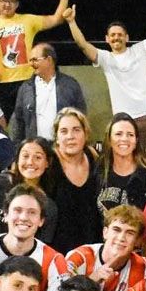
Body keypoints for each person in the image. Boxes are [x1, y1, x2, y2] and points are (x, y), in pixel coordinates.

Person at [63, 0, 146, 141]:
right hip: (125, 120)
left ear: (127, 38)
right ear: (107, 39)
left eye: (120, 35)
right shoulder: (105, 58)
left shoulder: (140, 50)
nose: (116, 38)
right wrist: (71, 22)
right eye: (112, 35)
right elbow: (82, 44)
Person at [0, 0, 74, 119]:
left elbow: (57, 19)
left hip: (27, 81)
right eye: (3, 0)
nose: (7, 4)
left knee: (31, 121)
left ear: (17, 4)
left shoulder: (28, 20)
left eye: (11, 1)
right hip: (1, 82)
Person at [65, 204, 146, 291]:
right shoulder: (79, 257)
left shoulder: (144, 267)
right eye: (116, 230)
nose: (121, 238)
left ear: (137, 241)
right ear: (105, 232)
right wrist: (91, 280)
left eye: (130, 233)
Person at [0, 136, 58, 241]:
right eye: (25, 156)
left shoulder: (48, 205)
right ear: (17, 160)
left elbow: (41, 247)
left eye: (38, 157)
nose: (30, 162)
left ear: (47, 163)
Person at [45, 107, 102, 252]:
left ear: (85, 134)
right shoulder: (48, 163)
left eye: (76, 130)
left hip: (92, 248)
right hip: (57, 251)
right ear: (57, 137)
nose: (70, 136)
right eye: (64, 131)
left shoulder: (92, 155)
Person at [9, 43, 87, 142]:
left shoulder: (70, 85)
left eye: (35, 60)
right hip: (36, 148)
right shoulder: (25, 88)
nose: (31, 64)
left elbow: (81, 117)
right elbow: (18, 122)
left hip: (63, 147)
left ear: (49, 60)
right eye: (30, 60)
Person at [94, 113, 146, 212]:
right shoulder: (97, 175)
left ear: (136, 141)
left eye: (130, 135)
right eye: (118, 134)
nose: (124, 139)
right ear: (109, 140)